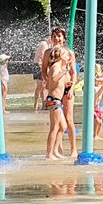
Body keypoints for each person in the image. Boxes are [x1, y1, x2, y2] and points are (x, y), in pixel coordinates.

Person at [42, 27, 77, 159]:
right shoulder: (49, 53)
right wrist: (47, 81)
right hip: (55, 91)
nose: (57, 38)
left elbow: (74, 72)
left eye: (59, 36)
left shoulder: (69, 52)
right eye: (54, 36)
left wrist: (72, 88)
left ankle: (73, 150)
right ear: (51, 38)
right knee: (57, 124)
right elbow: (44, 70)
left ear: (63, 38)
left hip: (67, 88)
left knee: (68, 120)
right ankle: (55, 150)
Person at [43, 46, 69, 159]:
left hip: (56, 100)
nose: (68, 57)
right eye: (66, 55)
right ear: (61, 56)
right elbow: (53, 79)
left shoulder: (58, 67)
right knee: (54, 128)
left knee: (63, 127)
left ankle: (55, 151)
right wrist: (64, 72)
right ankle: (49, 154)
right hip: (54, 100)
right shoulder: (55, 66)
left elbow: (52, 83)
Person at [32, 37, 50, 111]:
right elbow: (43, 55)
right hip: (39, 65)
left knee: (42, 86)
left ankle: (42, 104)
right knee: (41, 86)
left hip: (38, 65)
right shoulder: (44, 44)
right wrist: (47, 66)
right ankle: (37, 104)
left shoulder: (45, 44)